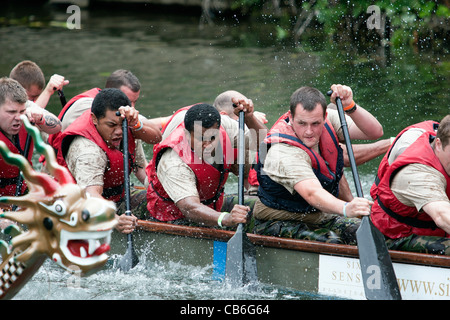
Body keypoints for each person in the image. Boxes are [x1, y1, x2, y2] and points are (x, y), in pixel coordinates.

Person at [253, 84, 380, 244]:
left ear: (324, 116)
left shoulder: (328, 120)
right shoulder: (282, 151)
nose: (309, 131)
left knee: (376, 231)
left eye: (315, 124)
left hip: (318, 214)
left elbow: (374, 132)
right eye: (302, 123)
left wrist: (350, 105)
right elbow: (312, 193)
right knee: (333, 242)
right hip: (278, 217)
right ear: (291, 118)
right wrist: (346, 208)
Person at [145, 101, 267, 228]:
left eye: (212, 138)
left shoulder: (223, 125)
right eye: (201, 139)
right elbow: (189, 207)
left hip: (211, 203)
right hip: (174, 216)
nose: (208, 145)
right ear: (186, 134)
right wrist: (225, 218)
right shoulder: (173, 162)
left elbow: (263, 143)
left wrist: (249, 118)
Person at [55, 88, 158, 234]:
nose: (119, 132)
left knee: (159, 202)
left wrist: (159, 192)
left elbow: (141, 166)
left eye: (121, 124)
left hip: (118, 198)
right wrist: (116, 220)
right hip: (80, 207)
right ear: (95, 119)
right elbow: (90, 195)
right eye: (111, 125)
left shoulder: (127, 125)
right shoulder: (87, 150)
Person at [48, 69, 161, 186]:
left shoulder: (124, 122)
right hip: (64, 181)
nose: (130, 107)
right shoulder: (86, 109)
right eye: (127, 100)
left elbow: (148, 150)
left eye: (134, 102)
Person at [370, 115, 450, 255]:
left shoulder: (442, 139)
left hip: (432, 231)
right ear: (438, 144)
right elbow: (442, 215)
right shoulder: (418, 172)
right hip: (394, 237)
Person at [0, 77, 62, 200]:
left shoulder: (28, 108)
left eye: (21, 111)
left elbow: (57, 127)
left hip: (26, 189)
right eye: (11, 112)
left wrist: (40, 119)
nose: (18, 117)